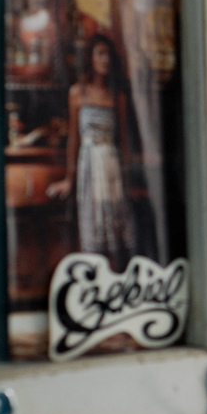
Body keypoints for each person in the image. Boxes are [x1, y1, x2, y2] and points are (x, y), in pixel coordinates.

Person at [46, 34, 135, 270]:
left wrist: (127, 180)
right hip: (89, 167)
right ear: (90, 58)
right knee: (91, 232)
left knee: (116, 234)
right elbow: (73, 139)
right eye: (100, 54)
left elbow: (123, 141)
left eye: (108, 54)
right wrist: (69, 179)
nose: (105, 60)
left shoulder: (117, 96)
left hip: (112, 168)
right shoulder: (78, 93)